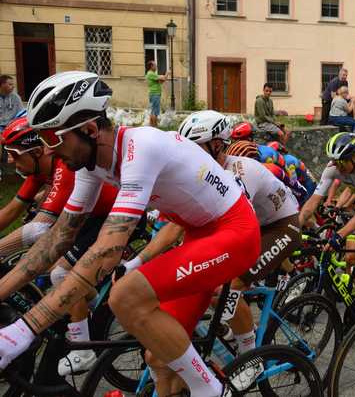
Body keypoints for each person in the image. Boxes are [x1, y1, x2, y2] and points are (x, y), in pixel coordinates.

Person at [0, 71, 260, 397]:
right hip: (196, 234)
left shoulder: (142, 148)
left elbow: (107, 250)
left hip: (234, 231)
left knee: (124, 297)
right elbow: (57, 237)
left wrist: (25, 328)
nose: (50, 152)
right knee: (158, 357)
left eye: (53, 139)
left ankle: (210, 390)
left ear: (90, 129)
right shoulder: (89, 164)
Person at [119, 110, 299, 393]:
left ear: (217, 145)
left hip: (279, 226)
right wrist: (141, 261)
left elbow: (237, 233)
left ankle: (248, 356)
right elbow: (173, 228)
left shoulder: (240, 171)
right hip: (247, 228)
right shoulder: (195, 174)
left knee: (228, 284)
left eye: (195, 147)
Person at [0, 117, 121, 374]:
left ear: (34, 151)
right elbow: (11, 211)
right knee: (58, 270)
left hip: (110, 216)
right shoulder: (39, 169)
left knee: (61, 273)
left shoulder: (65, 168)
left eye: (12, 154)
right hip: (89, 216)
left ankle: (83, 347)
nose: (9, 160)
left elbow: (40, 229)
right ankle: (89, 303)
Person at [145, 61, 168, 128]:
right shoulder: (151, 73)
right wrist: (167, 73)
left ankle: (151, 126)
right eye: (155, 65)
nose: (156, 67)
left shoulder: (152, 74)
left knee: (153, 110)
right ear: (151, 66)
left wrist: (164, 76)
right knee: (155, 112)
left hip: (154, 94)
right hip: (155, 94)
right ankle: (155, 127)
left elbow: (161, 81)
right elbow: (163, 78)